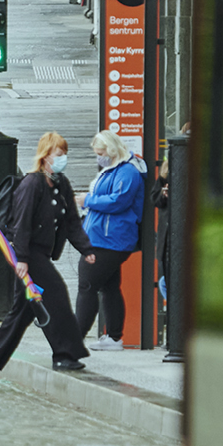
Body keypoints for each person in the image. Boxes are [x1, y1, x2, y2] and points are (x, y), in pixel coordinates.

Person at [0, 131, 88, 387]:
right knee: (56, 294)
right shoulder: (32, 184)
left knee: (23, 312)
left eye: (64, 155)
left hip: (40, 253)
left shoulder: (60, 183)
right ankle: (65, 354)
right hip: (30, 254)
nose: (63, 159)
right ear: (45, 156)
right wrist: (22, 260)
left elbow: (72, 222)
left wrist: (87, 250)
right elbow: (21, 224)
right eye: (59, 155)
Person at [75, 129, 147, 344]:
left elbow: (118, 202)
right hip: (107, 237)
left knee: (87, 286)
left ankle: (75, 337)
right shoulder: (117, 169)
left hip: (108, 239)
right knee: (109, 287)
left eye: (100, 152)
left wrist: (87, 200)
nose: (99, 157)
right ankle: (114, 337)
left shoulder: (128, 172)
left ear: (112, 150)